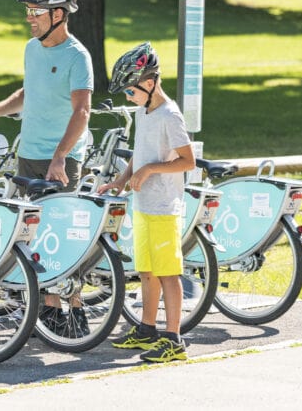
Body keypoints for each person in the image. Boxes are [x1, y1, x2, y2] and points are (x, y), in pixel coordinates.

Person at [0, 0, 94, 335]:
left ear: (58, 14)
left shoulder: (77, 56)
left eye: (35, 12)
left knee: (62, 234)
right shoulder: (32, 49)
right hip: (30, 155)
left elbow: (82, 111)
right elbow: (28, 92)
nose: (29, 19)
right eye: (28, 12)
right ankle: (49, 311)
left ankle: (74, 311)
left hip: (61, 159)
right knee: (35, 236)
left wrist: (60, 157)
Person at [97, 42, 195, 363]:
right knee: (148, 271)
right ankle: (148, 329)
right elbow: (140, 157)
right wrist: (121, 180)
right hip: (143, 206)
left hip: (165, 209)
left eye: (130, 90)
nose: (128, 96)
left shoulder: (170, 115)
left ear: (149, 84)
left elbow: (188, 161)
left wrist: (152, 169)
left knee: (168, 273)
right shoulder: (144, 112)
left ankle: (174, 339)